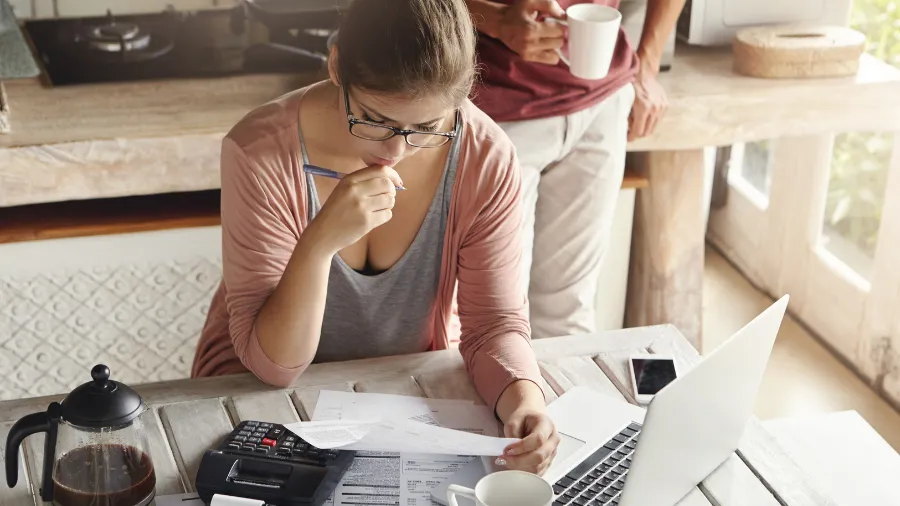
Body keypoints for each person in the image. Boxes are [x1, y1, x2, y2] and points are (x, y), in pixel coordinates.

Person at [191, 0, 559, 475]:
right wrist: (319, 242)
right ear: (336, 64)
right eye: (375, 119)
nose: (396, 151)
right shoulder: (259, 151)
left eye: (427, 128)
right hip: (254, 394)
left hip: (397, 396)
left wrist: (525, 400)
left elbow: (492, 325)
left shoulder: (486, 158)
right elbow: (274, 366)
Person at [465, 0, 684, 338]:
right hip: (493, 109)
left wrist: (648, 65)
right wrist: (494, 19)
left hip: (603, 102)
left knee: (570, 313)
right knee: (497, 320)